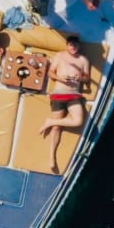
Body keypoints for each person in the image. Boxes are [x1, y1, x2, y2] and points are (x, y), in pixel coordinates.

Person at [39, 36, 91, 174]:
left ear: (79, 46)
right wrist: (60, 77)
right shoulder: (60, 56)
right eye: (71, 45)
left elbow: (87, 77)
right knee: (57, 128)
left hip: (74, 95)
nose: (73, 47)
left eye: (75, 45)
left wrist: (81, 78)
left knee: (78, 120)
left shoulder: (83, 60)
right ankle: (52, 157)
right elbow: (50, 72)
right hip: (59, 93)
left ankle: (50, 121)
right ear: (67, 45)